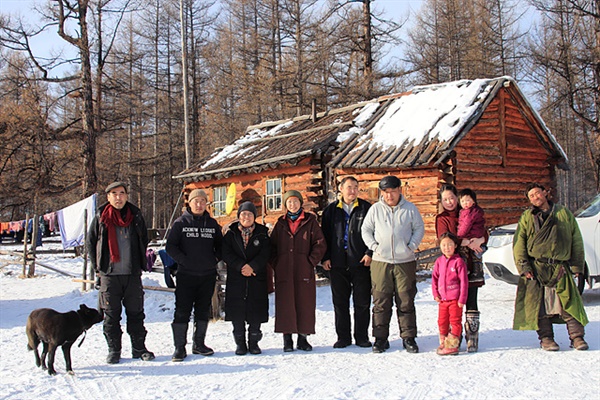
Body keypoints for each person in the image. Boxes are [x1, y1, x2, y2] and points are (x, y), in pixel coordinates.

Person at [512, 183, 589, 351]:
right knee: (541, 306)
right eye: (531, 196)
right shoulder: (527, 217)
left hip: (560, 266)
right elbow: (519, 243)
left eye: (537, 194)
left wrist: (576, 266)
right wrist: (524, 266)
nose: (535, 198)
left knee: (569, 302)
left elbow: (576, 239)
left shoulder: (563, 213)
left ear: (545, 193)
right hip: (537, 266)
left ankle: (577, 337)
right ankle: (546, 338)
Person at [88, 181, 155, 364]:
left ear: (127, 195)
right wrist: (98, 269)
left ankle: (139, 348)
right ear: (108, 197)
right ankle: (114, 350)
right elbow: (91, 243)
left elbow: (143, 240)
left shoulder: (135, 216)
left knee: (136, 313)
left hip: (131, 274)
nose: (119, 197)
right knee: (111, 314)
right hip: (109, 275)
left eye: (122, 193)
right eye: (114, 194)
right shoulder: (101, 216)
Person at [361, 175, 425, 354]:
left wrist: (411, 246)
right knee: (381, 301)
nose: (389, 196)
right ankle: (380, 338)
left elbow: (419, 228)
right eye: (386, 192)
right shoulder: (375, 210)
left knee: (405, 300)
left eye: (393, 192)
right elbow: (366, 230)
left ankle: (408, 337)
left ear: (399, 191)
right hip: (381, 262)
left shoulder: (410, 209)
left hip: (405, 262)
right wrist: (374, 247)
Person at [166, 189, 223, 362]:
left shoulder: (212, 224)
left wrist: (213, 259)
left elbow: (221, 247)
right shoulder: (180, 223)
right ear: (189, 203)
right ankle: (179, 348)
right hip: (186, 275)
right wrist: (184, 261)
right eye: (195, 201)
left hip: (207, 275)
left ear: (206, 203)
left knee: (203, 310)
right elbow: (171, 247)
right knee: (182, 311)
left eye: (202, 201)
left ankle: (199, 344)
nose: (199, 204)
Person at [270, 190, 327, 352]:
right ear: (285, 205)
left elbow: (320, 243)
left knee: (305, 303)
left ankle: (303, 338)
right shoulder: (280, 223)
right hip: (284, 271)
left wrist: (310, 261)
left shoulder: (310, 222)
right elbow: (271, 247)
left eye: (295, 201)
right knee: (285, 304)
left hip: (303, 270)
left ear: (300, 203)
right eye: (289, 202)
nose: (292, 205)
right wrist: (277, 263)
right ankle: (287, 339)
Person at [321, 176, 373, 349]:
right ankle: (343, 337)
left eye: (356, 187)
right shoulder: (331, 210)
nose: (353, 191)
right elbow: (325, 236)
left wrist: (369, 252)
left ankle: (362, 337)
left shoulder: (366, 208)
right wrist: (325, 257)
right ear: (341, 189)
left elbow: (375, 233)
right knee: (340, 303)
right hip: (337, 263)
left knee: (362, 302)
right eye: (349, 187)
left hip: (360, 262)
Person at [435, 183, 486, 352]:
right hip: (452, 269)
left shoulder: (468, 210)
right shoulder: (442, 218)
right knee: (452, 305)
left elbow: (483, 229)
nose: (449, 202)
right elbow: (443, 238)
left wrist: (481, 239)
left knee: (471, 300)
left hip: (471, 263)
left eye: (451, 198)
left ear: (457, 198)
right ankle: (452, 340)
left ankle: (472, 338)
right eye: (445, 199)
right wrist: (460, 241)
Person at [222, 201, 271, 355]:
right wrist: (241, 266)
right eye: (243, 214)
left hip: (256, 277)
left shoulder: (262, 233)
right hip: (237, 278)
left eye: (250, 214)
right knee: (237, 312)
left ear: (254, 217)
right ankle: (240, 344)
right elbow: (226, 253)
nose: (246, 217)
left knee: (256, 310)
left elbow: (266, 253)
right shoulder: (231, 233)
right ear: (238, 216)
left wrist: (253, 266)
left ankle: (254, 342)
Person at [432, 232, 468, 356]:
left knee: (455, 322)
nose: (447, 248)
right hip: (442, 300)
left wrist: (462, 299)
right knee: (442, 322)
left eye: (450, 245)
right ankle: (444, 341)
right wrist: (435, 293)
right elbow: (434, 278)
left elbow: (464, 281)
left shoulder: (458, 262)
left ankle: (452, 345)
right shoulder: (439, 262)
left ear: (455, 246)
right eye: (444, 245)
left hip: (455, 300)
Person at [457, 188, 486, 284]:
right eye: (462, 201)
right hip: (476, 235)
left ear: (474, 201)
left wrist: (460, 236)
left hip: (473, 235)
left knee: (464, 251)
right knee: (476, 255)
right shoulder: (471, 211)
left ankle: (465, 270)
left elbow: (466, 225)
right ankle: (477, 273)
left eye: (468, 200)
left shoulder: (470, 212)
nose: (465, 203)